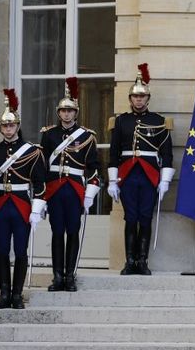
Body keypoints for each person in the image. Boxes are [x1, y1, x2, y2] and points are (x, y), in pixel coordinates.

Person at [0, 89, 47, 310]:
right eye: (4, 126)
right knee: (1, 251)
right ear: (0, 128)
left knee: (20, 251)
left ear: (18, 126)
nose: (8, 129)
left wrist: (36, 209)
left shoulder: (32, 152)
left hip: (21, 205)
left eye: (11, 125)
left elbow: (40, 182)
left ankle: (17, 295)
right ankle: (4, 293)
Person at [108, 64, 174, 276]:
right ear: (130, 99)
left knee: (145, 217)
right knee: (130, 217)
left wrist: (164, 180)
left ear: (148, 98)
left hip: (149, 175)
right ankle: (129, 261)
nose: (139, 100)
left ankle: (143, 261)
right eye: (135, 97)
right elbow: (113, 152)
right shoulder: (121, 121)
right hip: (127, 174)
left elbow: (167, 153)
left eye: (142, 96)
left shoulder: (159, 121)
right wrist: (112, 180)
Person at [39, 77, 100, 291]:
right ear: (59, 113)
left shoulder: (86, 136)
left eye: (70, 111)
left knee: (73, 231)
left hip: (74, 189)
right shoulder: (49, 135)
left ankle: (70, 276)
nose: (66, 114)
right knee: (57, 232)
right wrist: (41, 195)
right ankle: (57, 276)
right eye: (63, 111)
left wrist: (90, 192)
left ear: (76, 113)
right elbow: (42, 166)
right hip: (55, 188)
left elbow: (93, 166)